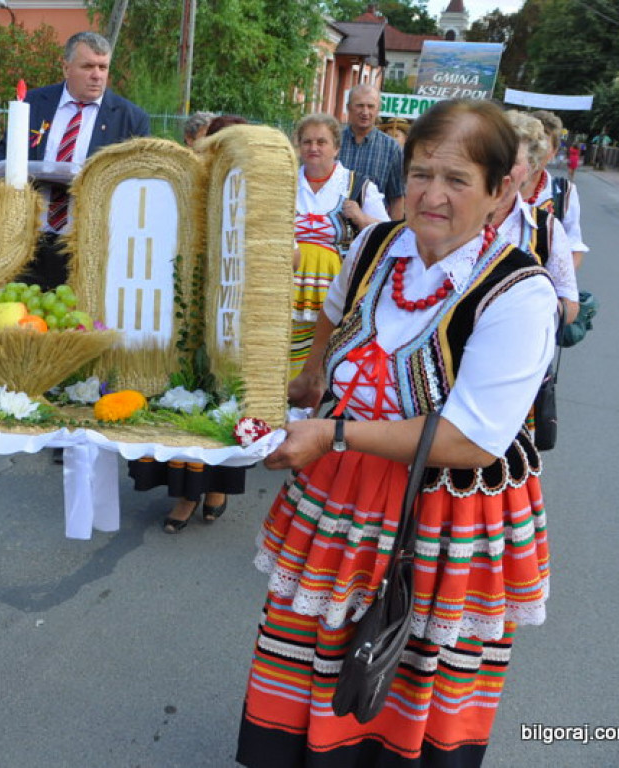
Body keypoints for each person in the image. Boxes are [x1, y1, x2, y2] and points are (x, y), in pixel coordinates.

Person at [237, 99, 556, 767]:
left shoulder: (518, 292)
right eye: (420, 174)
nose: (431, 195)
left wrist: (336, 433)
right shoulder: (377, 242)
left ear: (503, 190)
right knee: (313, 638)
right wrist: (311, 377)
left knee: (409, 661)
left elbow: (471, 438)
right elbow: (334, 310)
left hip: (446, 512)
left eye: (457, 179)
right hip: (343, 493)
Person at [127, 115, 251, 534]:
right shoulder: (187, 181)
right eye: (213, 142)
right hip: (184, 305)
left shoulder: (252, 187)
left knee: (222, 400)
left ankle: (218, 488)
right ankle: (184, 493)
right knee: (183, 397)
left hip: (232, 308)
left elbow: (282, 255)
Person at [0, 31, 150, 290]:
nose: (97, 75)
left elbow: (135, 187)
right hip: (27, 242)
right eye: (87, 66)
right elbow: (1, 156)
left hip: (86, 247)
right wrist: (3, 182)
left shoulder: (130, 119)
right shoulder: (32, 104)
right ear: (66, 68)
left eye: (103, 67)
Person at [290, 113, 389, 376]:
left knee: (327, 345)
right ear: (298, 146)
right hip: (287, 284)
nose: (313, 148)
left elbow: (388, 233)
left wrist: (360, 217)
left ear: (336, 147)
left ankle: (314, 401)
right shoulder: (286, 184)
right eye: (307, 141)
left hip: (337, 285)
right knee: (284, 345)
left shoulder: (357, 185)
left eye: (321, 142)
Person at [494, 110, 578, 323]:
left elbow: (569, 306)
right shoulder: (455, 214)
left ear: (530, 168)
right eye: (495, 157)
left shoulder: (546, 228)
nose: (501, 167)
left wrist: (528, 307)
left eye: (512, 160)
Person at [528, 110, 589, 269]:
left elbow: (574, 247)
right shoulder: (498, 183)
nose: (536, 153)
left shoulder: (564, 192)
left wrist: (558, 288)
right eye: (532, 144)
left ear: (554, 152)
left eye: (544, 146)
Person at [338, 83, 405, 219]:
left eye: (370, 106)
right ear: (348, 108)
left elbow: (397, 198)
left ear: (378, 109)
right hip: (334, 228)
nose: (365, 112)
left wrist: (392, 235)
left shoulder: (391, 148)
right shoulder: (333, 142)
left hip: (372, 230)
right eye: (360, 105)